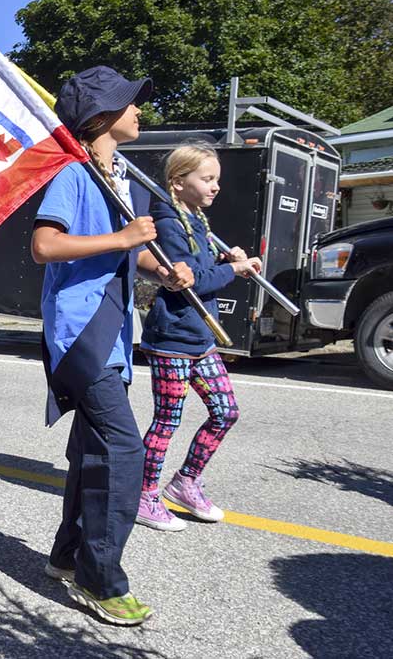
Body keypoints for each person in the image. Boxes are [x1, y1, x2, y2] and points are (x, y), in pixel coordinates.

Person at [31, 66, 193, 626]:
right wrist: (125, 238)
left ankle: (65, 556)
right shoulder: (74, 176)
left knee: (90, 451)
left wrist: (162, 270)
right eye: (131, 103)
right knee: (124, 454)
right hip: (82, 337)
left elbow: (124, 255)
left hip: (115, 335)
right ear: (101, 118)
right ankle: (100, 579)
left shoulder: (117, 176)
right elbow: (45, 244)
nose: (141, 110)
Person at [136, 143, 261, 531]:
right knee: (167, 420)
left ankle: (185, 482)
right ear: (178, 182)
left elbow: (203, 269)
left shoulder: (195, 219)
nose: (216, 186)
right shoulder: (170, 222)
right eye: (207, 179)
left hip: (198, 336)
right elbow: (187, 282)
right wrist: (234, 270)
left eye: (217, 179)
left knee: (226, 412)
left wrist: (225, 261)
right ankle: (143, 495)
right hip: (171, 338)